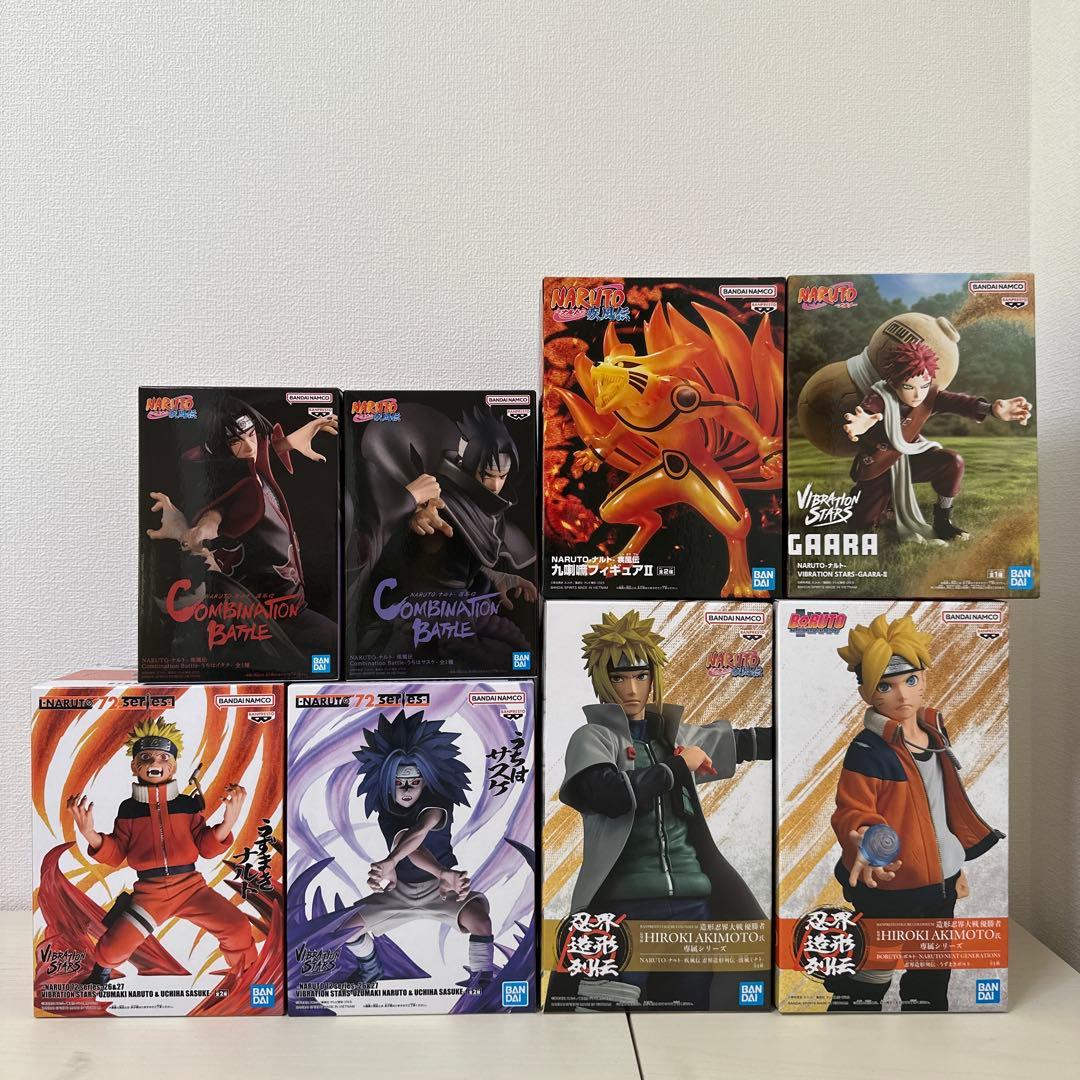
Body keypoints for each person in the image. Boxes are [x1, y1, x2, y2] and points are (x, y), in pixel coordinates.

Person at [555, 610, 772, 1009]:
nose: (631, 688)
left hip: (693, 902)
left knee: (687, 1014)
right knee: (604, 1012)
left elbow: (744, 743)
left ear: (653, 678)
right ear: (602, 680)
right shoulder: (593, 738)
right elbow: (610, 795)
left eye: (640, 676)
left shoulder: (671, 738)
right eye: (619, 678)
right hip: (622, 907)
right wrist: (676, 767)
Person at [827, 614, 1004, 1010]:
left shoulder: (935, 733)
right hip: (889, 885)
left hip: (940, 885)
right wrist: (866, 838)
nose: (901, 695)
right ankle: (847, 1031)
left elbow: (942, 809)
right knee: (869, 976)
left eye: (910, 680)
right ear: (866, 692)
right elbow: (852, 809)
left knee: (931, 977)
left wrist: (953, 865)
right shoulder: (868, 749)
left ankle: (928, 1036)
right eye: (884, 686)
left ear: (924, 679)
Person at [67, 719, 255, 985]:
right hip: (150, 894)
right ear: (134, 767)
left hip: (191, 888)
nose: (155, 761)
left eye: (163, 757)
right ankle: (100, 976)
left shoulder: (187, 805)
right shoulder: (128, 809)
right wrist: (89, 834)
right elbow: (117, 853)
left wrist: (228, 823)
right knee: (111, 949)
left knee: (237, 927)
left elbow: (206, 847)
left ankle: (251, 976)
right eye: (145, 757)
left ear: (173, 766)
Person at [341, 710, 495, 990]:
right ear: (387, 781)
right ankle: (370, 968)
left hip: (441, 888)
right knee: (345, 930)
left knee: (481, 923)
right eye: (399, 782)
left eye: (414, 781)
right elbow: (408, 845)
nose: (406, 789)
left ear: (426, 779)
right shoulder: (387, 812)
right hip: (400, 891)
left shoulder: (437, 803)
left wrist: (437, 873)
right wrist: (395, 864)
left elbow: (420, 831)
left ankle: (482, 981)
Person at [842, 341, 1031, 542]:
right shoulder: (879, 396)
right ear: (893, 382)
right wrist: (861, 423)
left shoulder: (929, 396)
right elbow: (868, 411)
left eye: (924, 385)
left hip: (910, 459)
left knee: (952, 462)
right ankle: (872, 501)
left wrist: (991, 409)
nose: (918, 394)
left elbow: (960, 403)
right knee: (862, 527)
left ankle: (943, 521)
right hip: (880, 468)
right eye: (908, 386)